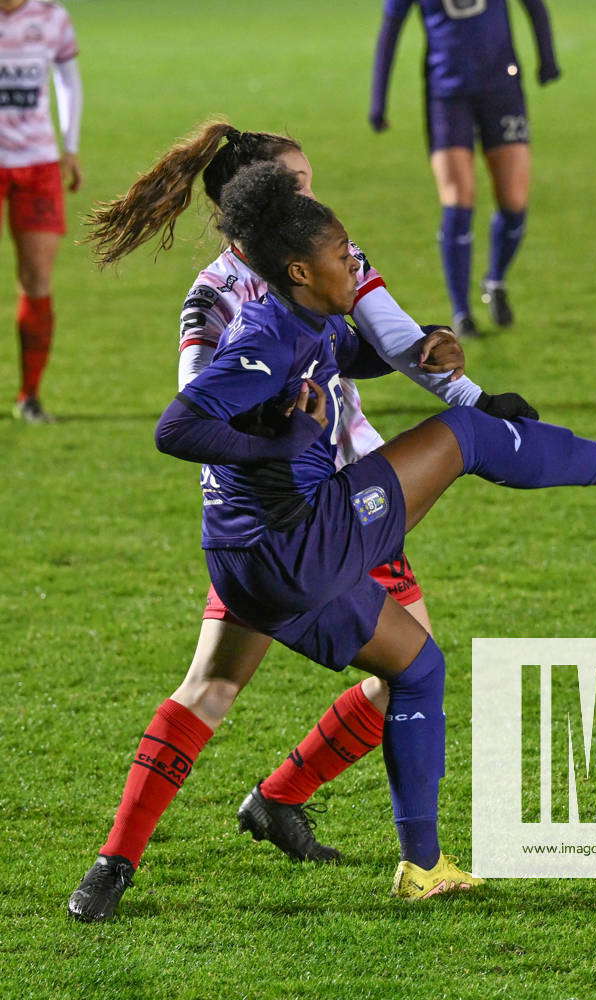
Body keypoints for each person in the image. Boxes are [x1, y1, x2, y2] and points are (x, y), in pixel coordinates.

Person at [111, 162, 596, 903]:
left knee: (415, 669)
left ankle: (420, 866)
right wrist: (275, 447)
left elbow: (347, 350)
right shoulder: (243, 315)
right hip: (304, 533)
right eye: (338, 243)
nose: (353, 258)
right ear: (289, 252)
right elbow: (183, 419)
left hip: (258, 550)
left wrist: (425, 348)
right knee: (463, 439)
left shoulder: (302, 307)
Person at [68, 123, 539, 922]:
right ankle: (196, 832)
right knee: (390, 674)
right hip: (299, 519)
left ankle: (176, 840)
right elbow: (196, 405)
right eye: (296, 187)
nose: (312, 199)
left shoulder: (316, 261)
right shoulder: (219, 297)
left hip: (326, 509)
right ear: (251, 209)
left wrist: (440, 364)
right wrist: (279, 436)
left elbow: (370, 343)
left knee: (240, 684)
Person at [369, 0, 559, 338]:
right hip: (447, 95)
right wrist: (378, 100)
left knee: (514, 202)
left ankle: (495, 279)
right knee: (457, 201)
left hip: (502, 88)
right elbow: (390, 30)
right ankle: (462, 313)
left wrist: (547, 57)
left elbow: (534, 5)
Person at [1, 0, 83, 422]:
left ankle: (29, 395)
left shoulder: (51, 17)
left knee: (36, 278)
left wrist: (70, 145)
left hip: (38, 164)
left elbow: (67, 77)